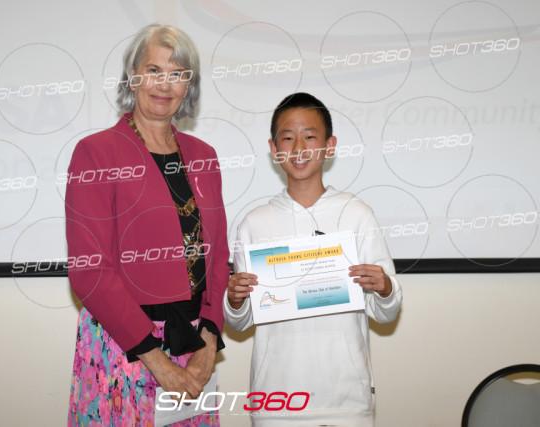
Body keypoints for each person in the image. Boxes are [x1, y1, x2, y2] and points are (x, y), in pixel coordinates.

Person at [65, 24, 229, 426]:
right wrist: (157, 361)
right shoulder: (96, 153)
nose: (164, 84)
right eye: (154, 70)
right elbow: (89, 270)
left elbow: (218, 256)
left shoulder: (204, 156)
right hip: (126, 346)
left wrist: (209, 340)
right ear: (133, 76)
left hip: (194, 345)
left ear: (188, 86)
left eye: (177, 74)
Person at [223, 92, 402, 426]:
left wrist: (385, 288)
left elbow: (386, 313)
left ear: (329, 145)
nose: (299, 148)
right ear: (274, 149)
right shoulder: (254, 224)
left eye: (310, 136)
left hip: (346, 401)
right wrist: (234, 300)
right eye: (287, 138)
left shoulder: (357, 214)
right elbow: (239, 322)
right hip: (276, 402)